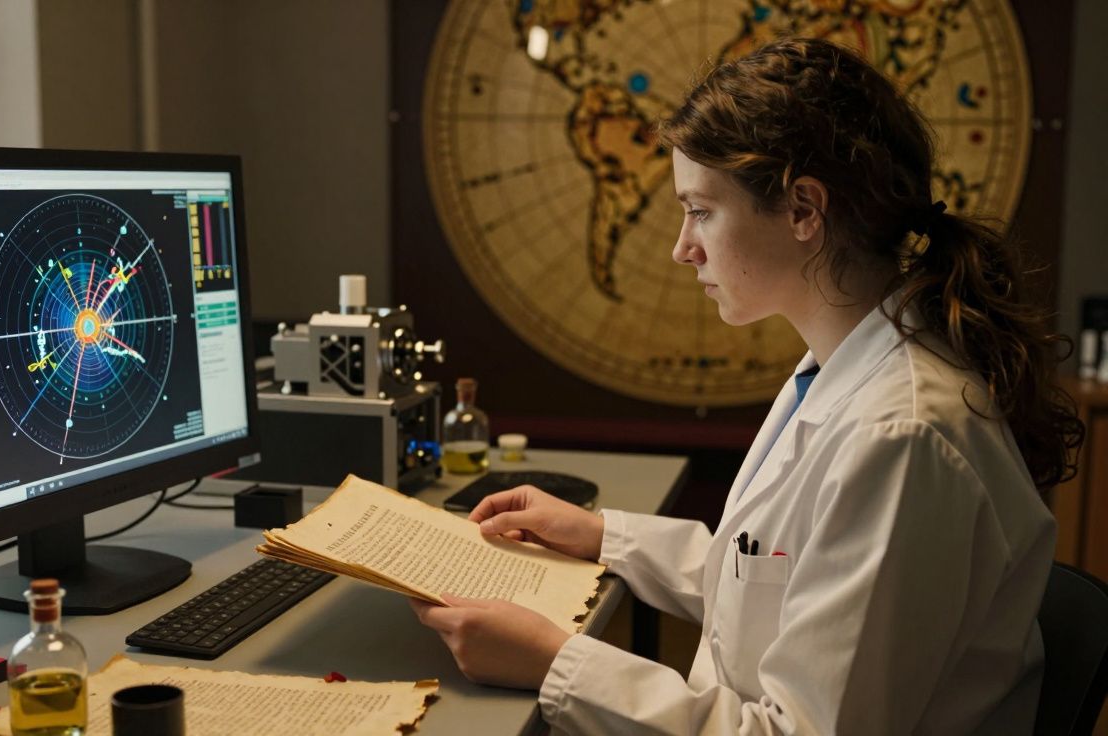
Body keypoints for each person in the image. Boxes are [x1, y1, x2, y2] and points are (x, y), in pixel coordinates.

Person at [409, 37, 1084, 734]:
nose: (682, 247)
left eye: (701, 209)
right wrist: (606, 536)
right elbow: (779, 579)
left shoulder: (902, 436)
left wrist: (556, 663)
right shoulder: (840, 367)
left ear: (802, 210)